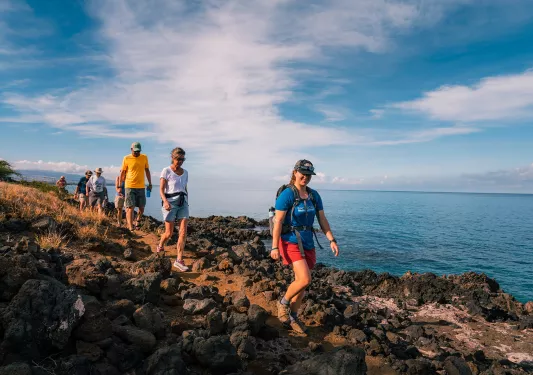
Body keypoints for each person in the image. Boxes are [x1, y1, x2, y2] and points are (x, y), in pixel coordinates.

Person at [271, 159, 339, 334]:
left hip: (308, 241)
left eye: (309, 175)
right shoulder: (287, 194)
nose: (306, 178)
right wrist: (274, 247)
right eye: (303, 174)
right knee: (305, 279)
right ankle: (283, 304)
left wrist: (331, 239)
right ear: (295, 172)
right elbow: (277, 221)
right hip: (290, 241)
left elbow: (322, 219)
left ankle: (293, 316)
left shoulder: (314, 195)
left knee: (302, 284)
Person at [157, 147, 190, 271]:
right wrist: (165, 201)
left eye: (182, 159)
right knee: (169, 233)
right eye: (178, 159)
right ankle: (160, 245)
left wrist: (187, 202)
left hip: (183, 203)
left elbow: (184, 188)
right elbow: (161, 189)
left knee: (183, 231)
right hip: (170, 203)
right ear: (172, 157)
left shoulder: (186, 172)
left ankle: (179, 260)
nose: (180, 161)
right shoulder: (166, 171)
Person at [120, 142, 152, 231]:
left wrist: (150, 183)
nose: (137, 153)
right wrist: (120, 186)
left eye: (138, 151)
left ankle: (137, 221)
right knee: (130, 207)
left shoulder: (144, 157)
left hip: (141, 186)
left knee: (141, 207)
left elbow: (147, 170)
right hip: (129, 186)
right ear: (131, 150)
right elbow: (122, 172)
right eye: (135, 151)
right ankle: (130, 226)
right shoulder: (126, 158)